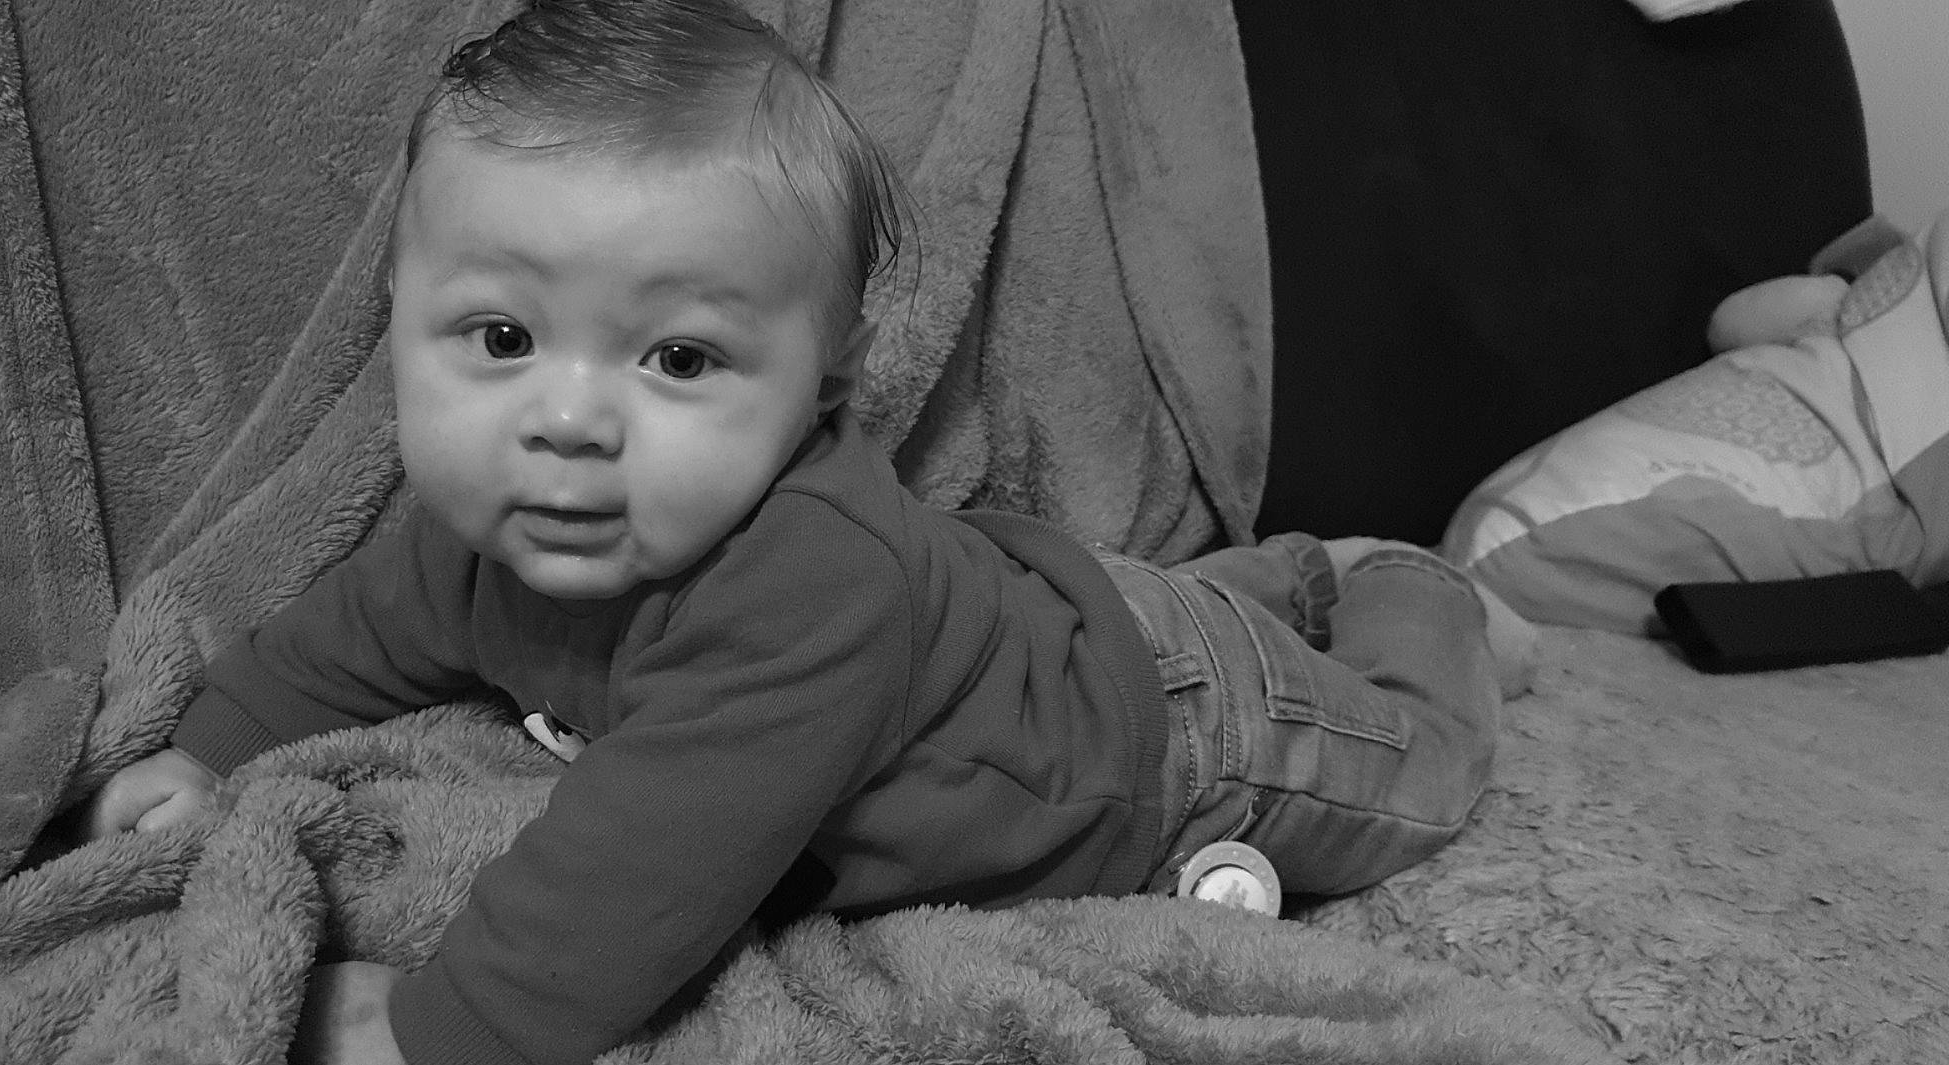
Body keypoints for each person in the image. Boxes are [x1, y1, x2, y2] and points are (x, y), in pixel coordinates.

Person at [80, 2, 1527, 1062]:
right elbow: (339, 642)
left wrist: (437, 1028)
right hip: (1058, 607)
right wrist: (207, 747)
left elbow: (634, 870)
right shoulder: (486, 524)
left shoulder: (803, 586)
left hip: (1164, 737)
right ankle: (1271, 578)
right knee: (1139, 606)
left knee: (1423, 770)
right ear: (395, 323)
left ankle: (1400, 582)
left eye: (681, 360)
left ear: (822, 385)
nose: (568, 420)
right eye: (503, 334)